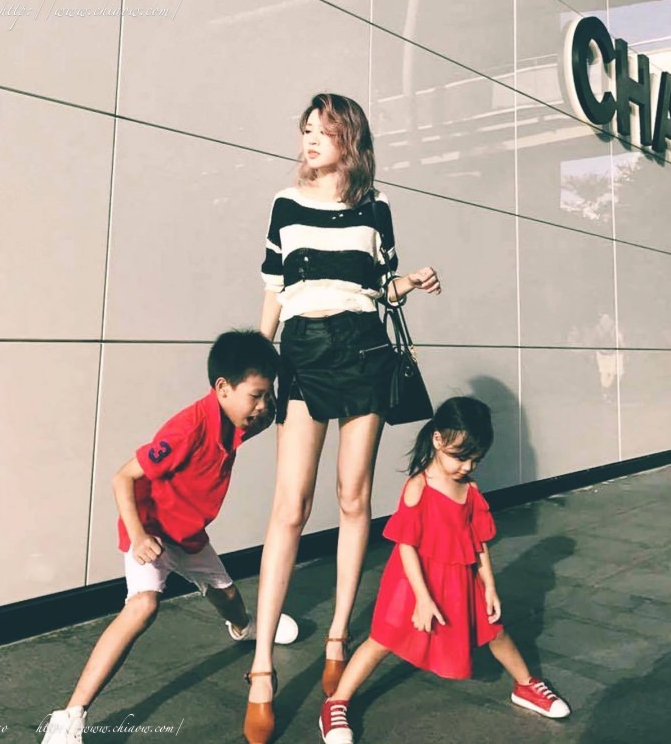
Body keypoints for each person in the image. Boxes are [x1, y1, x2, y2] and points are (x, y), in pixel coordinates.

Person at [244, 93, 442, 744]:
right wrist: (256, 365)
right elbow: (275, 289)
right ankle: (262, 668)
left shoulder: (376, 207)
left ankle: (336, 635)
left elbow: (376, 289)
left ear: (348, 140)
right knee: (290, 505)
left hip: (363, 351)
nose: (309, 140)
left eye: (322, 131)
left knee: (353, 497)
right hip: (302, 351)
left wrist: (410, 282)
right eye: (305, 129)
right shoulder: (285, 203)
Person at [40, 330, 298, 744]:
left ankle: (243, 627)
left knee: (229, 598)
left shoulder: (241, 419)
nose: (262, 405)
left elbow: (271, 412)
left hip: (189, 533)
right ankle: (69, 716)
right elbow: (122, 478)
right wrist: (139, 535)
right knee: (143, 606)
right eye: (256, 396)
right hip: (153, 531)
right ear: (222, 388)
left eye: (267, 395)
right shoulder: (187, 429)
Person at [318, 397, 571, 744]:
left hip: (459, 579)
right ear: (438, 439)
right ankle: (336, 703)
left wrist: (490, 586)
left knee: (494, 631)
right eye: (460, 456)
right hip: (412, 581)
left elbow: (479, 542)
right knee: (383, 639)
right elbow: (406, 545)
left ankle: (526, 686)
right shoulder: (418, 487)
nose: (467, 466)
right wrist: (422, 599)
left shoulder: (471, 490)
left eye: (475, 459)